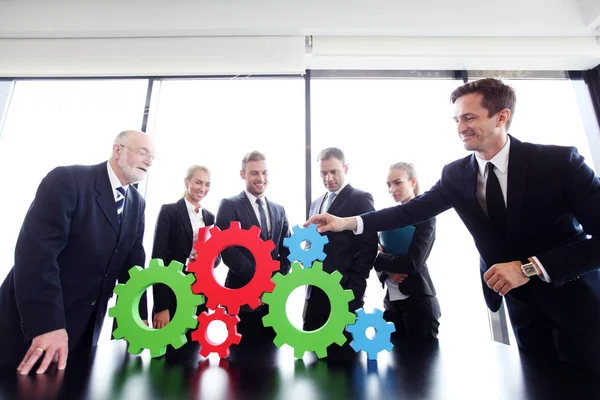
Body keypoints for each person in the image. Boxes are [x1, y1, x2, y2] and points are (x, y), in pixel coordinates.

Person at [306, 78, 600, 373]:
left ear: (501, 117)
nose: (461, 128)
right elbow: (408, 212)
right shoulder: (457, 174)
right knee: (539, 384)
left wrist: (529, 267)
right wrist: (346, 222)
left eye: (469, 117)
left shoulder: (559, 162)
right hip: (520, 305)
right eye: (457, 119)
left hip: (576, 302)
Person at [0, 130, 155, 375]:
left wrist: (136, 319)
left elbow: (133, 264)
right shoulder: (68, 180)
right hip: (35, 326)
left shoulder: (137, 202)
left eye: (152, 157)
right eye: (143, 152)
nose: (149, 161)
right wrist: (47, 324)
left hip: (84, 332)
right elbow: (36, 254)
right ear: (118, 150)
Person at [303, 147, 377, 358]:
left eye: (334, 171)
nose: (329, 178)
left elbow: (368, 247)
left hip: (344, 290)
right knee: (314, 355)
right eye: (324, 173)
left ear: (345, 168)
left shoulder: (360, 198)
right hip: (314, 290)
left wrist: (354, 287)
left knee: (343, 358)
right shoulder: (316, 203)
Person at [215, 151, 291, 342]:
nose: (261, 178)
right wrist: (261, 281)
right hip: (240, 300)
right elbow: (228, 251)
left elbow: (286, 249)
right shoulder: (229, 205)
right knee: (240, 362)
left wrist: (276, 281)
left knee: (270, 361)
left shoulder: (279, 209)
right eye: (254, 173)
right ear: (243, 174)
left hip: (273, 301)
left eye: (264, 172)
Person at [375, 162, 441, 342]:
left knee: (422, 364)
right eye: (389, 185)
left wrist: (379, 257)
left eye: (397, 183)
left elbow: (413, 263)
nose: (392, 189)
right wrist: (386, 269)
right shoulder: (388, 216)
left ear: (413, 182)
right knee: (397, 364)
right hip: (391, 303)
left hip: (419, 301)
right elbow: (374, 256)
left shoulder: (426, 216)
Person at [151, 165, 221, 331]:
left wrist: (206, 257)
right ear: (186, 182)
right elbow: (157, 259)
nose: (202, 188)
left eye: (207, 184)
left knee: (194, 351)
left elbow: (217, 257)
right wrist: (162, 306)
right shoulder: (170, 212)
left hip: (199, 295)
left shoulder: (210, 217)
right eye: (198, 182)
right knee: (168, 350)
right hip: (172, 292)